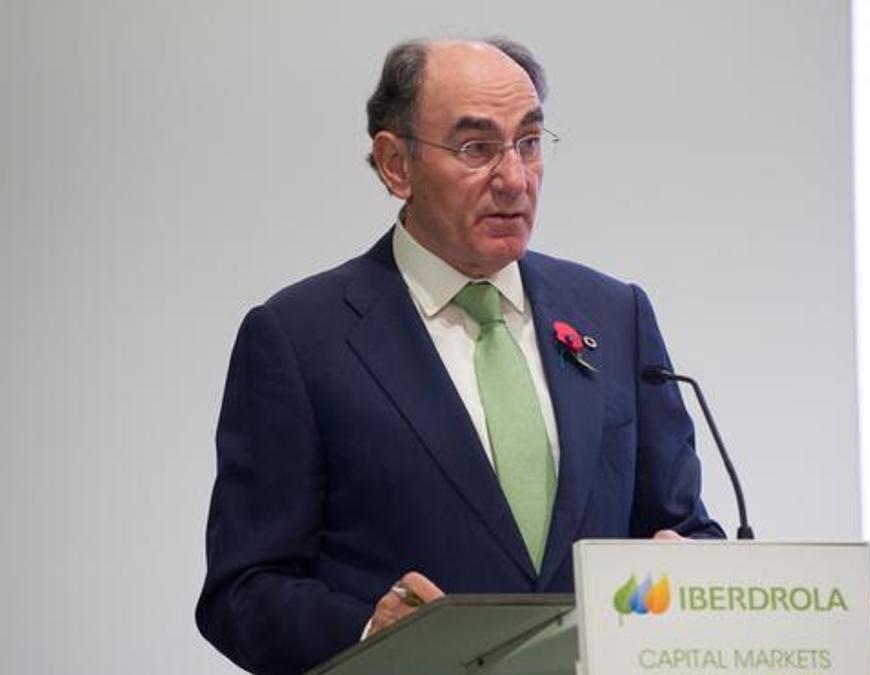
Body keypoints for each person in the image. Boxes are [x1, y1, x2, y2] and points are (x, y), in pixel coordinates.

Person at [196, 36, 725, 675]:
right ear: (396, 165)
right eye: (477, 148)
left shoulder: (615, 316)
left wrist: (690, 566)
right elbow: (244, 590)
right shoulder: (299, 339)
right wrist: (369, 629)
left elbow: (681, 529)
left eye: (528, 144)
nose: (513, 177)